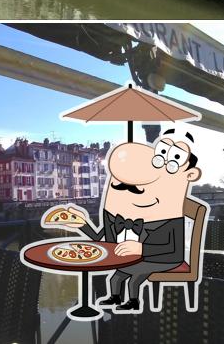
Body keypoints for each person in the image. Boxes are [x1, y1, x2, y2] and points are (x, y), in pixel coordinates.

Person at [46, 129, 203, 312]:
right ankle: (115, 298)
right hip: (141, 255)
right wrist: (81, 224)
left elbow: (174, 249)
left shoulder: (170, 219)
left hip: (167, 259)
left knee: (134, 274)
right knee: (116, 276)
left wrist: (141, 248)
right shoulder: (125, 216)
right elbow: (100, 238)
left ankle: (134, 303)